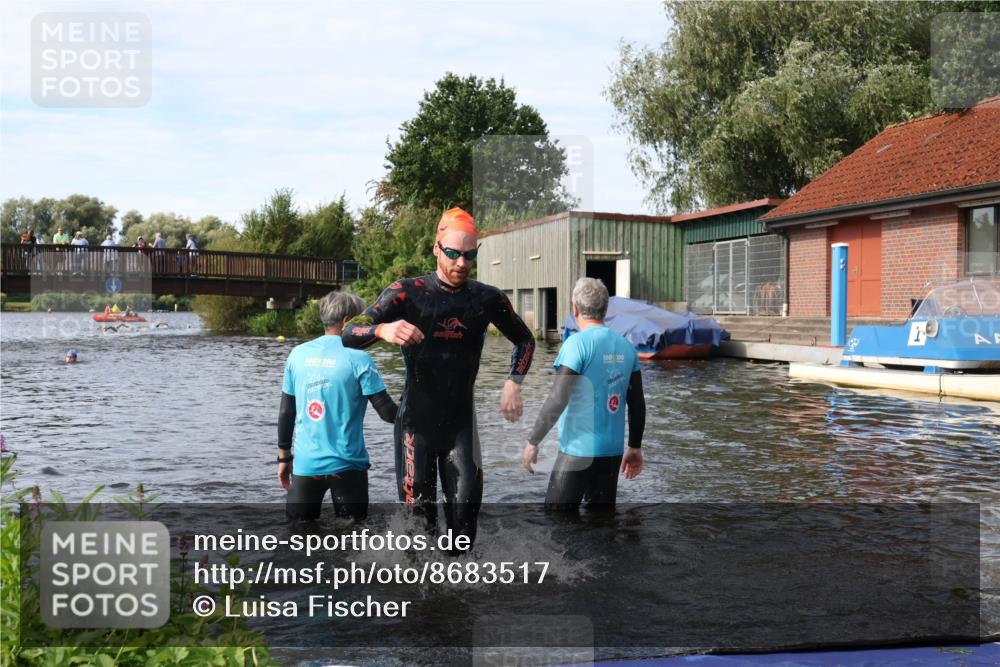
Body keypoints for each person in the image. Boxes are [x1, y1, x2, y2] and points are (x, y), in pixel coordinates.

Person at [342, 207, 535, 547]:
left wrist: (513, 382)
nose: (462, 263)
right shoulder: (407, 291)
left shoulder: (487, 298)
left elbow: (525, 339)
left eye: (469, 255)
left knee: (464, 528)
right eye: (453, 253)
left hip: (461, 427)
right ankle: (421, 597)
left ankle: (457, 595)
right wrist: (383, 328)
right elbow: (348, 333)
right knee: (420, 528)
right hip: (415, 426)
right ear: (436, 248)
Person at [521, 277, 645, 512]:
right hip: (613, 453)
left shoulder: (576, 344)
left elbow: (558, 398)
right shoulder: (626, 347)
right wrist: (635, 447)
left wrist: (533, 441)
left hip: (578, 452)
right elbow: (637, 403)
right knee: (601, 525)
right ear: (605, 309)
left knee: (557, 523)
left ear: (574, 308)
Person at [278, 291, 398, 521]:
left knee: (297, 538)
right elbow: (388, 413)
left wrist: (284, 458)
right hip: (348, 466)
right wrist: (417, 408)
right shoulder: (359, 358)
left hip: (305, 466)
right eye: (362, 320)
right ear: (347, 322)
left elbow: (286, 412)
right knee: (353, 539)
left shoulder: (297, 355)